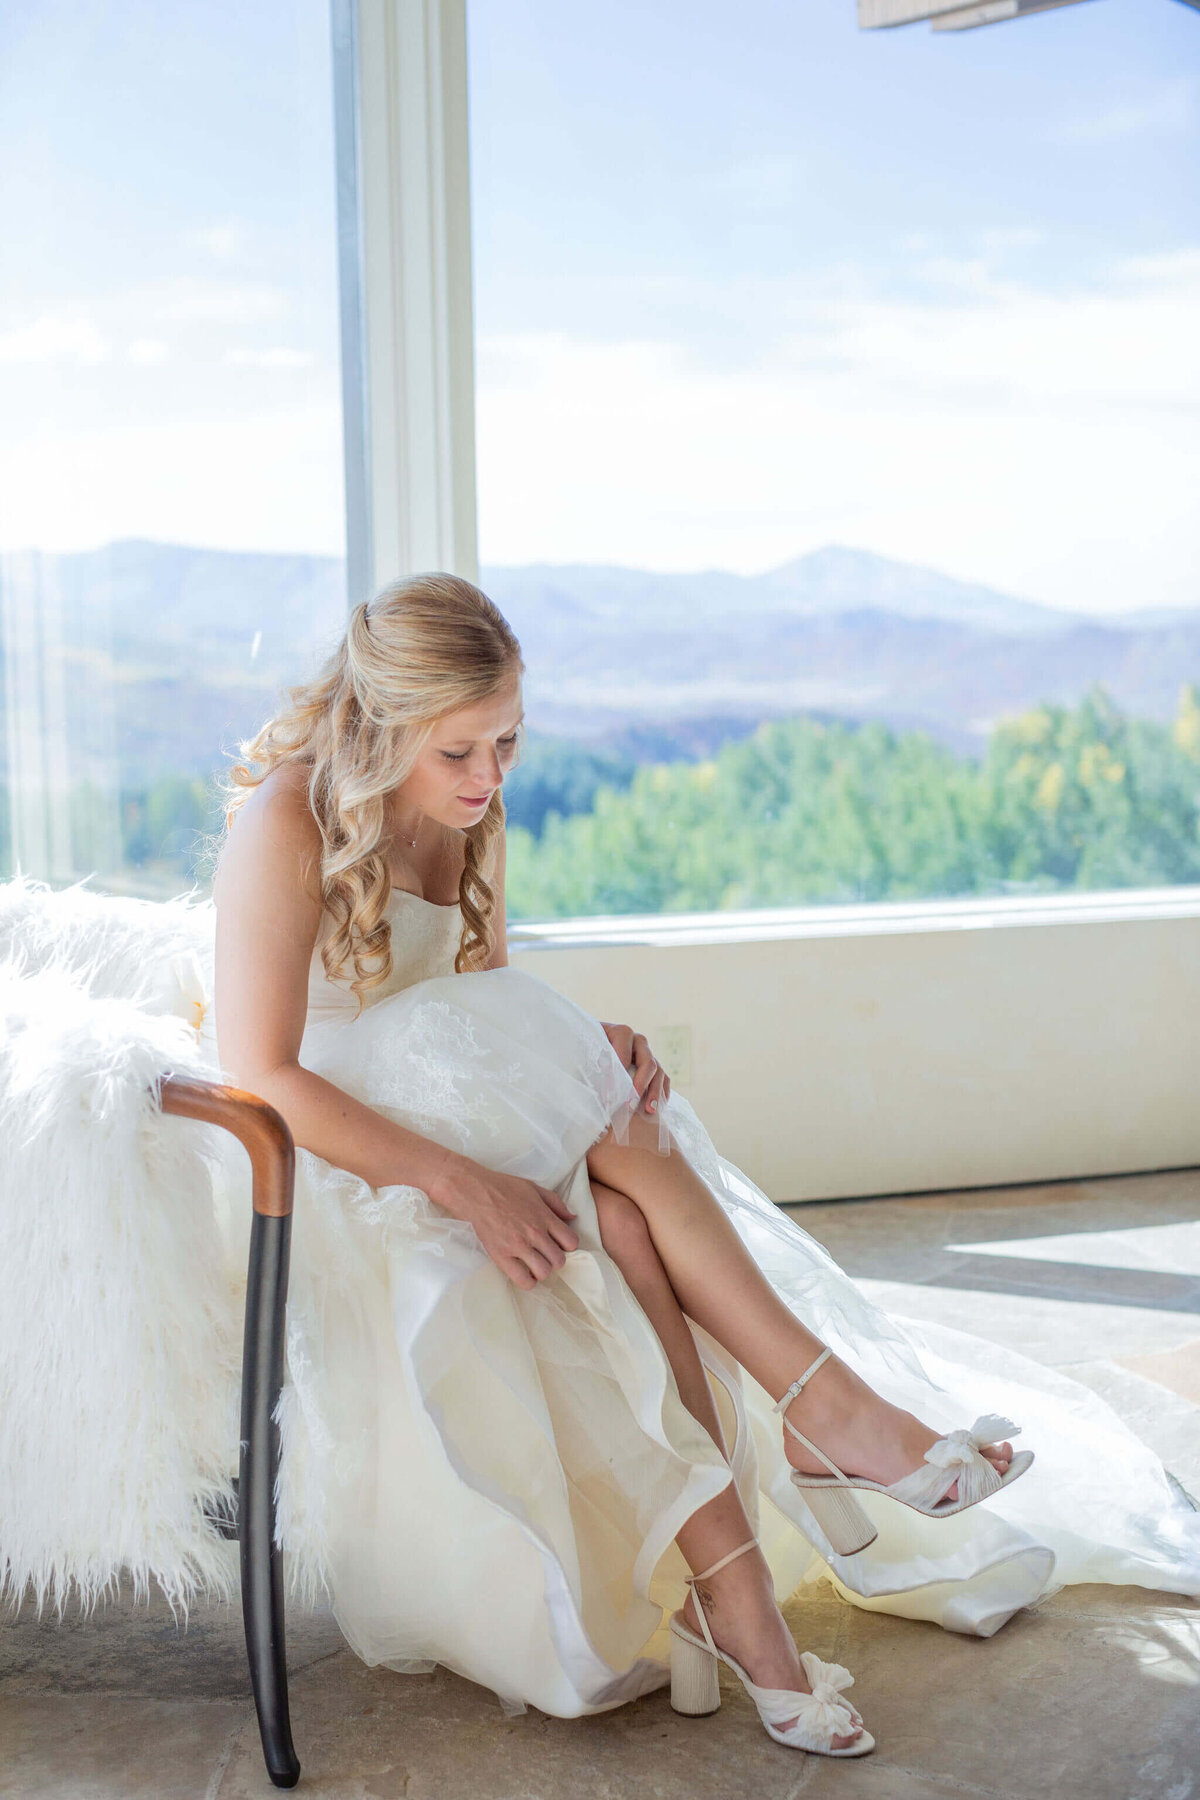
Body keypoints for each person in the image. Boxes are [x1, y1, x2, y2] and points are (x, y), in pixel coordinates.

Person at [212, 573, 1200, 1757]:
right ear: (379, 726)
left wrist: (573, 1046)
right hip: (333, 1157)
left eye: (509, 743)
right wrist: (465, 1177)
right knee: (620, 1183)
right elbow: (262, 1075)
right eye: (457, 752)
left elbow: (472, 999)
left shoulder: (476, 813)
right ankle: (818, 1437)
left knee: (625, 1200)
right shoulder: (287, 819)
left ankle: (744, 1588)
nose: (487, 780)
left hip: (449, 1101)